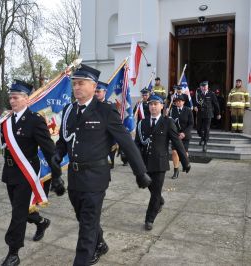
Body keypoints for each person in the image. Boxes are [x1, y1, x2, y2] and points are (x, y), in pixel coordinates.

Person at [52, 64, 151, 266]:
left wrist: (140, 172)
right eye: (74, 83)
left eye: (81, 83)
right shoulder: (69, 110)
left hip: (96, 177)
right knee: (84, 218)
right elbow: (64, 140)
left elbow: (126, 142)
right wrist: (57, 154)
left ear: (93, 85)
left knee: (86, 226)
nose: (76, 87)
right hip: (75, 176)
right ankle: (101, 244)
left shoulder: (105, 111)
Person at [0, 79, 65, 266]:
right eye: (10, 97)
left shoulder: (35, 121)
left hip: (26, 172)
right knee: (21, 209)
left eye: (16, 97)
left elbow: (50, 149)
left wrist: (57, 174)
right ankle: (41, 221)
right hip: (10, 171)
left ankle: (13, 252)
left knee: (18, 213)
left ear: (27, 99)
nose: (12, 101)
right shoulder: (6, 120)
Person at [135, 94, 190, 230]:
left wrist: (185, 161)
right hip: (145, 163)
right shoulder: (142, 123)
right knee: (151, 188)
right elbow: (137, 144)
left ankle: (149, 219)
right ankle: (160, 200)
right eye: (151, 104)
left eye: (156, 104)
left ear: (161, 106)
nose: (153, 106)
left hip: (160, 163)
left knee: (155, 192)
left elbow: (177, 142)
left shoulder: (167, 122)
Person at [169, 95, 194, 179]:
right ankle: (176, 170)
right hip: (175, 135)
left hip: (185, 135)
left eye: (180, 101)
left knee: (184, 153)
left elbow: (191, 124)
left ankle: (185, 163)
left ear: (183, 102)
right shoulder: (172, 110)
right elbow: (170, 122)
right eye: (176, 101)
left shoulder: (188, 110)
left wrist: (184, 133)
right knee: (174, 152)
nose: (178, 103)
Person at [95, 81, 117, 169]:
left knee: (108, 165)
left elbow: (115, 126)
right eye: (95, 92)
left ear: (104, 92)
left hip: (108, 140)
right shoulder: (91, 106)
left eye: (98, 91)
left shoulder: (110, 106)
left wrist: (114, 141)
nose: (96, 94)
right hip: (95, 141)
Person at [193, 81, 221, 152]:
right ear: (200, 87)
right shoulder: (198, 94)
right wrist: (195, 106)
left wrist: (218, 113)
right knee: (198, 129)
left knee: (206, 128)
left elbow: (216, 104)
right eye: (202, 86)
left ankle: (205, 143)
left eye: (205, 86)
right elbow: (194, 102)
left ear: (207, 86)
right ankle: (202, 137)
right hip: (200, 113)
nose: (204, 88)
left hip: (208, 114)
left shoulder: (211, 94)